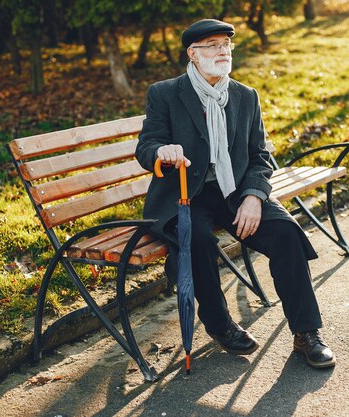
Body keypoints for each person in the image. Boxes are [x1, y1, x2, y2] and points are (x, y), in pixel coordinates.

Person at [136, 19, 335, 369]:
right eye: (212, 45)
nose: (222, 50)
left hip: (234, 192)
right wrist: (160, 153)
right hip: (186, 194)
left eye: (226, 44)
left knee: (287, 232)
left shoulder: (245, 95)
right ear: (193, 54)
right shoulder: (166, 93)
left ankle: (307, 333)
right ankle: (219, 325)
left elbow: (260, 157)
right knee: (196, 238)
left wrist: (255, 197)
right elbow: (146, 146)